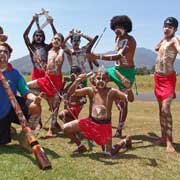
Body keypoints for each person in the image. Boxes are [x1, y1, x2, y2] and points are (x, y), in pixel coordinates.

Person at [63, 68, 134, 156]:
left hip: (104, 126)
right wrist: (77, 81)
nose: (101, 81)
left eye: (103, 78)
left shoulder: (112, 92)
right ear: (94, 79)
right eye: (98, 78)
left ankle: (125, 141)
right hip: (90, 122)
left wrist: (129, 88)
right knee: (65, 128)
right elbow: (70, 93)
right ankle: (81, 146)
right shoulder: (90, 90)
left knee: (108, 153)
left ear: (108, 80)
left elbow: (130, 99)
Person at [87, 15, 136, 137]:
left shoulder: (130, 41)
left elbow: (118, 56)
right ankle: (95, 117)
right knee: (97, 81)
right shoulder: (117, 38)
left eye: (120, 27)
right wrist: (92, 57)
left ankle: (119, 129)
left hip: (126, 72)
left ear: (126, 27)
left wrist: (97, 56)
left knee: (124, 102)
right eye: (115, 27)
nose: (117, 30)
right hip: (115, 69)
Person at [0, 41, 42, 148]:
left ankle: (24, 137)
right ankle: (9, 130)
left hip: (12, 108)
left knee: (35, 107)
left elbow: (25, 92)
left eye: (5, 51)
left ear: (9, 55)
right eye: (0, 51)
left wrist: (35, 99)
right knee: (3, 142)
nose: (2, 53)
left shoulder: (14, 73)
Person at [28, 33, 64, 138]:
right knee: (27, 86)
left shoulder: (60, 51)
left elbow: (58, 60)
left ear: (61, 42)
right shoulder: (49, 51)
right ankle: (43, 96)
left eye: (58, 39)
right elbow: (49, 63)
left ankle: (51, 129)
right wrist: (44, 65)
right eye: (54, 38)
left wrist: (60, 54)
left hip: (55, 80)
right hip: (46, 78)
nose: (56, 40)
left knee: (54, 106)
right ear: (51, 40)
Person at [154, 17, 180, 152]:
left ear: (175, 29)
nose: (166, 29)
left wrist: (173, 39)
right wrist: (163, 38)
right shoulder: (164, 40)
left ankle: (170, 142)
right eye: (165, 26)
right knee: (160, 110)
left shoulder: (176, 39)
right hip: (157, 78)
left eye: (170, 27)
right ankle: (163, 137)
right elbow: (156, 48)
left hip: (168, 79)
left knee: (166, 109)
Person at [23, 13, 57, 80]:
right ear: (34, 37)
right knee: (35, 90)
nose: (38, 37)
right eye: (37, 35)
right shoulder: (31, 47)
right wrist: (32, 21)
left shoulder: (46, 47)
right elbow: (25, 36)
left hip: (46, 72)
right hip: (35, 73)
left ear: (43, 37)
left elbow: (56, 37)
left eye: (40, 36)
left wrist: (51, 24)